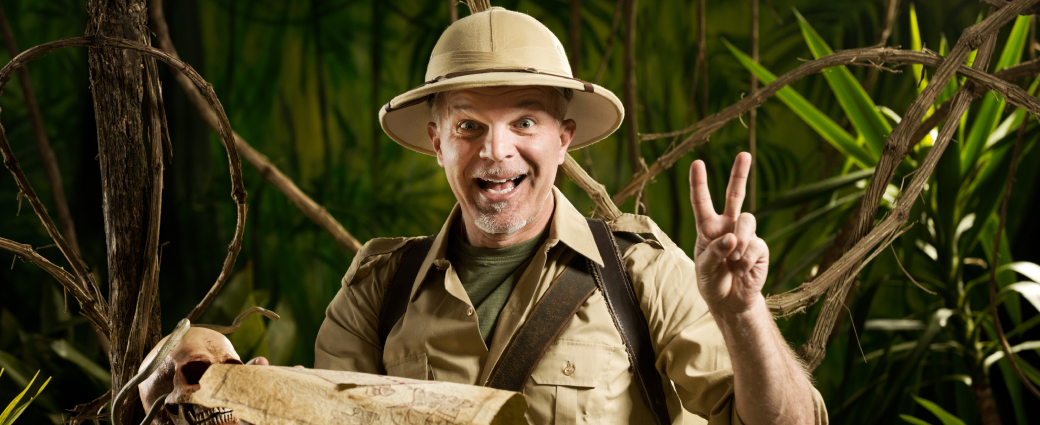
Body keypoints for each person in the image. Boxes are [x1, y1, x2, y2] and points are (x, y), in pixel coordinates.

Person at [312, 7, 827, 424]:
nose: (496, 150)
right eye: (468, 125)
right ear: (437, 143)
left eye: (525, 121)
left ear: (563, 139)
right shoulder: (378, 290)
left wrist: (743, 314)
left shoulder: (639, 274)